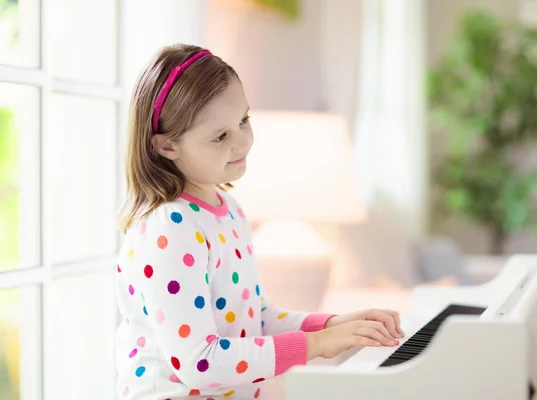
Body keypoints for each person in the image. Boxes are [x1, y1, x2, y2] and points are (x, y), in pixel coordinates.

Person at [115, 43, 405, 400]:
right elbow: (199, 364)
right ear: (167, 147)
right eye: (220, 136)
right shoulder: (169, 227)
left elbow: (256, 318)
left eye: (243, 121)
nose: (242, 142)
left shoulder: (229, 209)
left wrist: (331, 325)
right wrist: (318, 343)